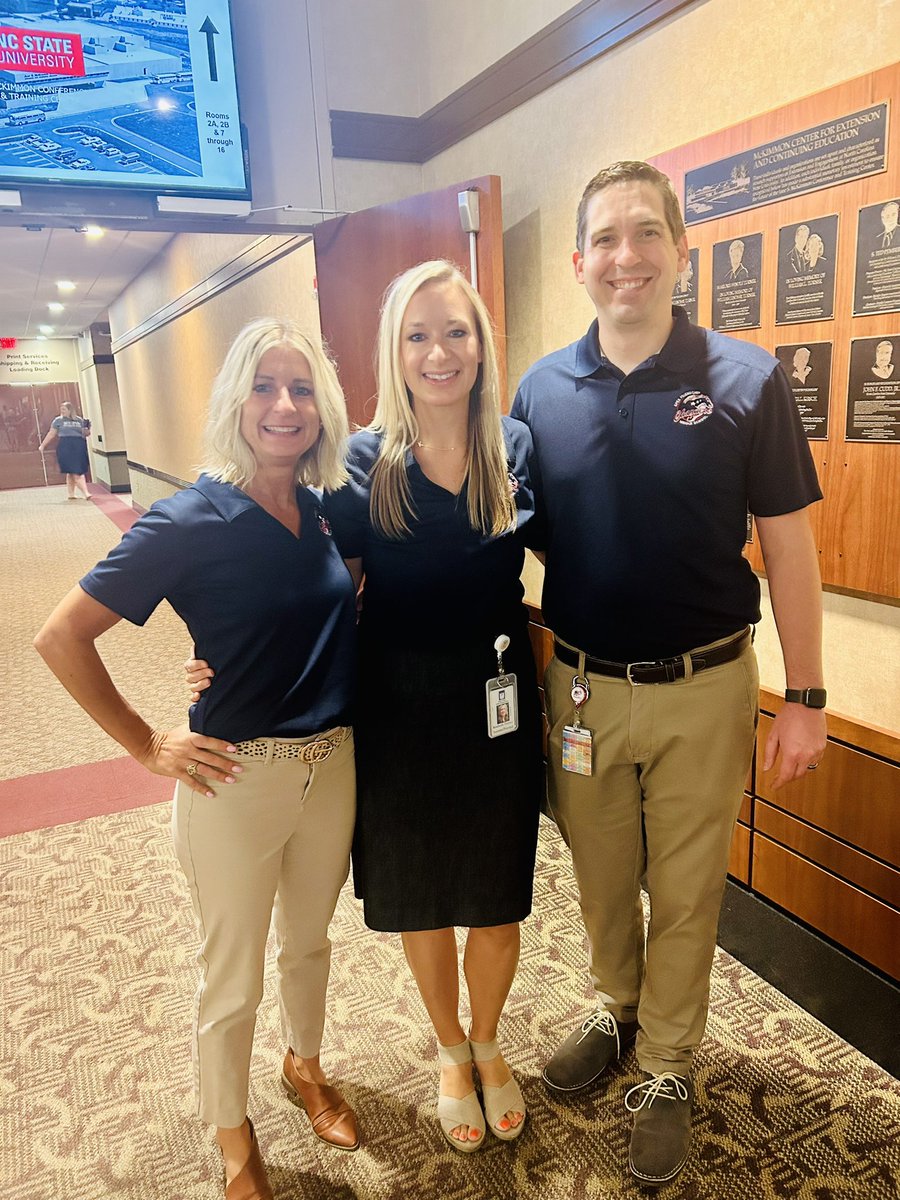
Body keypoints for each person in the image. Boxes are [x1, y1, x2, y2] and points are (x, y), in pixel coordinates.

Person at [511, 161, 826, 1188]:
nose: (627, 256)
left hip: (706, 686)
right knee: (600, 875)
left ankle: (669, 1066)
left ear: (681, 251)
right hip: (582, 691)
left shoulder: (747, 380)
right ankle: (619, 1009)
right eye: (606, 238)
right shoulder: (539, 392)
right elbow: (519, 536)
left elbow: (790, 549)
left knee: (687, 890)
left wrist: (807, 698)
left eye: (648, 232)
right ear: (579, 261)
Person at [191, 261, 542, 1154]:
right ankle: (450, 1051)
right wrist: (223, 659)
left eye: (455, 332)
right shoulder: (359, 463)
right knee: (422, 894)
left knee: (496, 896)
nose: (438, 352)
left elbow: (571, 555)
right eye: (417, 335)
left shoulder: (514, 445)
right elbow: (321, 586)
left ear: (481, 345)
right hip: (397, 711)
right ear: (394, 350)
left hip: (498, 706)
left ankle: (489, 1041)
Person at [34, 319, 361, 1200]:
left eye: (301, 388)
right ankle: (231, 1131)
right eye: (264, 387)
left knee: (309, 943)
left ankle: (304, 1066)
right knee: (233, 971)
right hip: (234, 778)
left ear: (322, 407)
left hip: (333, 765)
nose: (284, 405)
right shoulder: (188, 518)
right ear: (234, 403)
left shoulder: (323, 508)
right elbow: (60, 635)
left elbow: (329, 609)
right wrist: (147, 743)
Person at [39, 400, 91, 499]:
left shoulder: (79, 420)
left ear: (70, 410)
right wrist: (43, 445)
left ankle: (71, 494)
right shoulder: (58, 420)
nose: (62, 411)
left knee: (74, 471)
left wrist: (87, 428)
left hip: (78, 444)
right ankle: (86, 493)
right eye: (61, 409)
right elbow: (51, 433)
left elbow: (86, 434)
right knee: (74, 470)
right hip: (65, 445)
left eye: (64, 409)